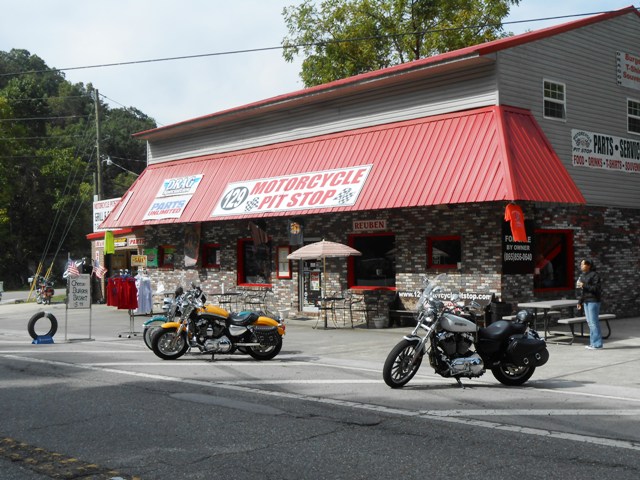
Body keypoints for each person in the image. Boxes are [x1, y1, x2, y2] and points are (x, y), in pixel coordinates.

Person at [576, 259, 603, 349]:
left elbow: (596, 289)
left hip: (593, 301)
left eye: (583, 264)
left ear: (589, 265)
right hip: (586, 301)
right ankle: (593, 343)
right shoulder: (583, 275)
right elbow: (583, 291)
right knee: (590, 323)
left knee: (594, 323)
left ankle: (598, 344)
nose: (581, 266)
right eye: (581, 264)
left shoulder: (595, 275)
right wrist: (580, 302)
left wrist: (584, 285)